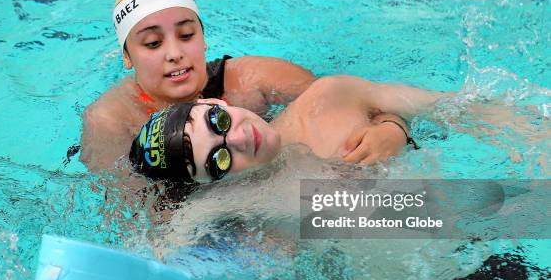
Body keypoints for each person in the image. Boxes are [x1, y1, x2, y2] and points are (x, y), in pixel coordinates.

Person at [80, 0, 411, 172]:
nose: (175, 54)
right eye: (152, 43)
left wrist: (393, 131)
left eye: (186, 35)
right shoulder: (112, 120)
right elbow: (129, 217)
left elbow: (355, 104)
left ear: (204, 38)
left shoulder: (252, 79)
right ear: (127, 56)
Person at [130, 75, 447, 183]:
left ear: (215, 101)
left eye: (219, 121)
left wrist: (396, 132)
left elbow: (461, 109)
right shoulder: (242, 202)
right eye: (219, 161)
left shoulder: (331, 96)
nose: (240, 138)